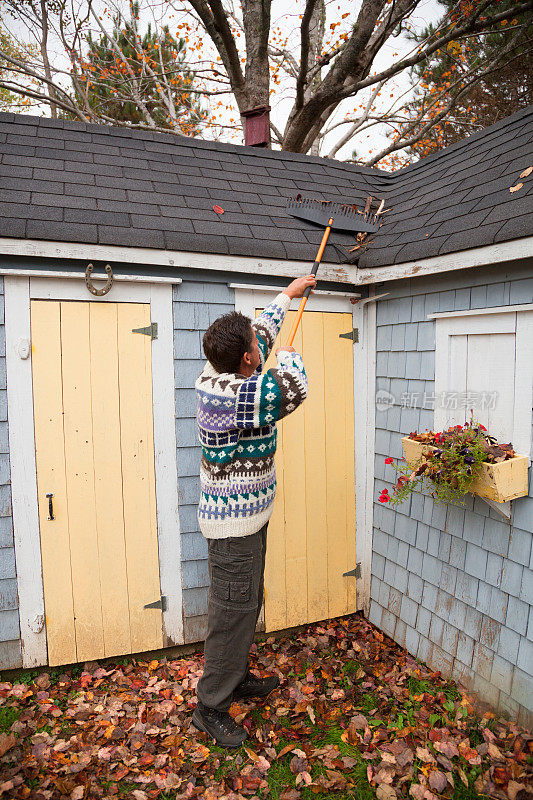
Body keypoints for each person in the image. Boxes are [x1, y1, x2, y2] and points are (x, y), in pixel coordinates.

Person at [191, 276, 316, 747]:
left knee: (247, 604)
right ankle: (211, 705)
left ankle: (235, 677)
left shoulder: (226, 365)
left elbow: (261, 331)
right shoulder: (228, 395)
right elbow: (291, 387)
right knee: (231, 611)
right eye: (255, 350)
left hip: (251, 516)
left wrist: (288, 294)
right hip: (232, 528)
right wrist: (289, 359)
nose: (260, 348)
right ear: (246, 360)